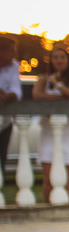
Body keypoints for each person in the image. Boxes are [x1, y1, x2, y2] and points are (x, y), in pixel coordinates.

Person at [32, 46, 69, 202]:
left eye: (62, 57)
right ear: (50, 60)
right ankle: (48, 206)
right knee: (48, 175)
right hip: (49, 131)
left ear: (68, 60)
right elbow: (37, 95)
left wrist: (56, 84)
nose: (59, 60)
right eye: (55, 57)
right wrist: (63, 97)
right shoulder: (43, 79)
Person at [0, 36, 21, 182]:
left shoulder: (14, 66)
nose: (15, 54)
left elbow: (16, 90)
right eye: (12, 51)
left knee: (2, 157)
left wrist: (7, 96)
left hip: (5, 123)